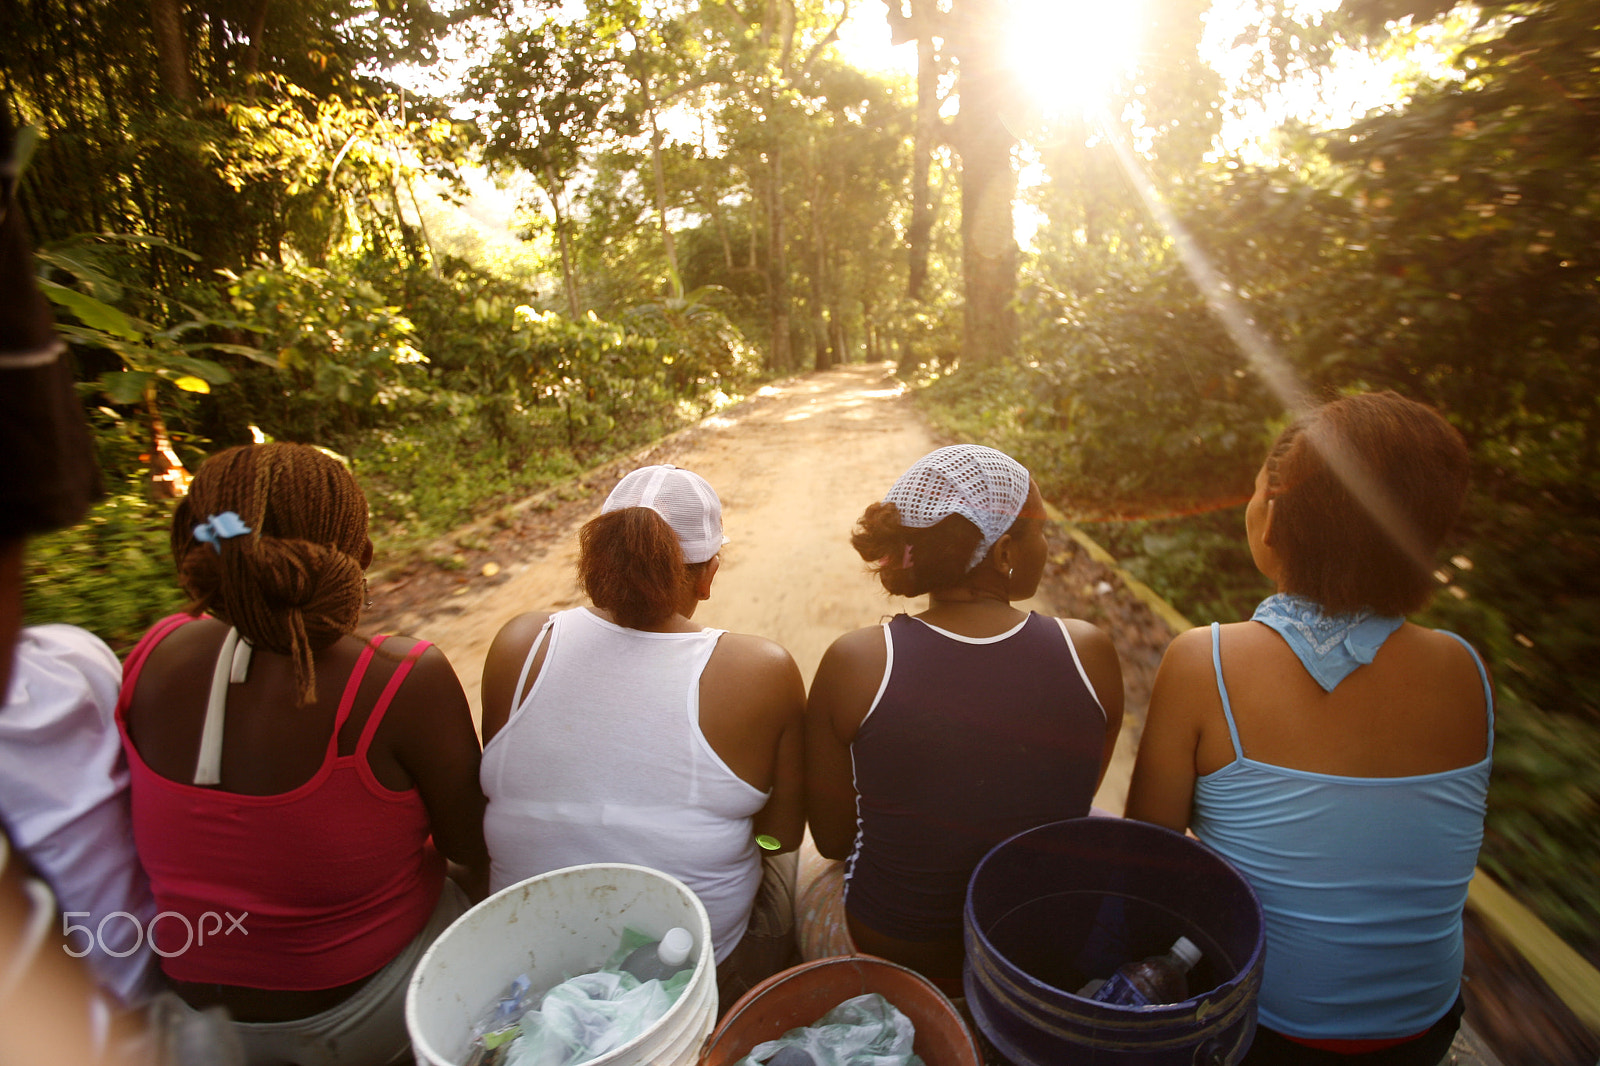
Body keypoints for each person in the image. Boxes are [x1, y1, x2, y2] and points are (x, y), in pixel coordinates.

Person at [1125, 391, 1488, 1065]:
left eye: (1258, 488)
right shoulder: (1464, 670)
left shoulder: (1204, 662)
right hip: (1425, 1025)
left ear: (1276, 516)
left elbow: (1150, 864)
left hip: (1265, 1030)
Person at [116, 442, 489, 1066]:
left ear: (201, 547)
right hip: (363, 1015)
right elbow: (472, 845)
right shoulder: (400, 677)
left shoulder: (153, 653)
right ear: (359, 559)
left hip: (194, 1025)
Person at [479, 464, 806, 1012]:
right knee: (799, 859)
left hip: (524, 969)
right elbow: (784, 836)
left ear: (596, 564)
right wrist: (758, 847)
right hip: (692, 974)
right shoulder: (760, 669)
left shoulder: (521, 643)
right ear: (708, 575)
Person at [803, 444, 1124, 992]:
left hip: (896, 955)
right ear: (1003, 554)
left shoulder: (857, 662)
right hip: (1037, 957)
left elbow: (835, 841)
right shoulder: (1087, 652)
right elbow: (1067, 800)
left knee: (804, 865)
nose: (1049, 544)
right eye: (1041, 530)